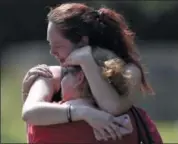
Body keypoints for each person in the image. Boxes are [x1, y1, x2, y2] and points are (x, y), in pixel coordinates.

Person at [22, 3, 163, 143]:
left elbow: (112, 107)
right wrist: (83, 112)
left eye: (58, 46)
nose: (52, 52)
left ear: (83, 41)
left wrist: (87, 61)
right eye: (49, 44)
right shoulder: (50, 75)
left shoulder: (128, 71)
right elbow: (29, 114)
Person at [25, 60, 134, 143]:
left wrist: (27, 92)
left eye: (65, 74)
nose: (61, 80)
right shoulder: (132, 119)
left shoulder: (43, 119)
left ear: (79, 78)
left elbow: (30, 120)